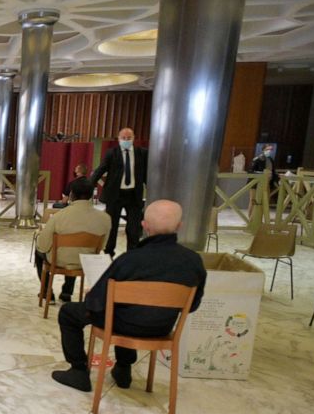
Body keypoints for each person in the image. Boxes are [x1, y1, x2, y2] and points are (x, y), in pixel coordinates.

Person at [51, 200, 206, 393]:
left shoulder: (129, 260)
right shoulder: (193, 261)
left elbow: (96, 302)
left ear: (144, 225)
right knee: (128, 309)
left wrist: (92, 294)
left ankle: (78, 371)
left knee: (69, 313)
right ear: (179, 226)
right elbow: (192, 305)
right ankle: (123, 369)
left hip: (122, 324)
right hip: (161, 327)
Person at [35, 178, 111, 303]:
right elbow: (103, 245)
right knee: (78, 252)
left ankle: (47, 292)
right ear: (91, 195)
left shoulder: (59, 216)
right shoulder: (105, 218)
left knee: (39, 252)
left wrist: (38, 237)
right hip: (85, 261)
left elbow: (43, 246)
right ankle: (66, 292)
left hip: (59, 259)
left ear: (71, 194)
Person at [88, 128, 148, 256]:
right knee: (112, 226)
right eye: (123, 138)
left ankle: (132, 254)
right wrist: (88, 185)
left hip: (134, 195)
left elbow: (147, 174)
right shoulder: (112, 153)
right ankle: (109, 252)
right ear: (119, 139)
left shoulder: (142, 153)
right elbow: (101, 169)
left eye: (129, 138)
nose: (126, 140)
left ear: (134, 138)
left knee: (133, 228)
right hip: (115, 195)